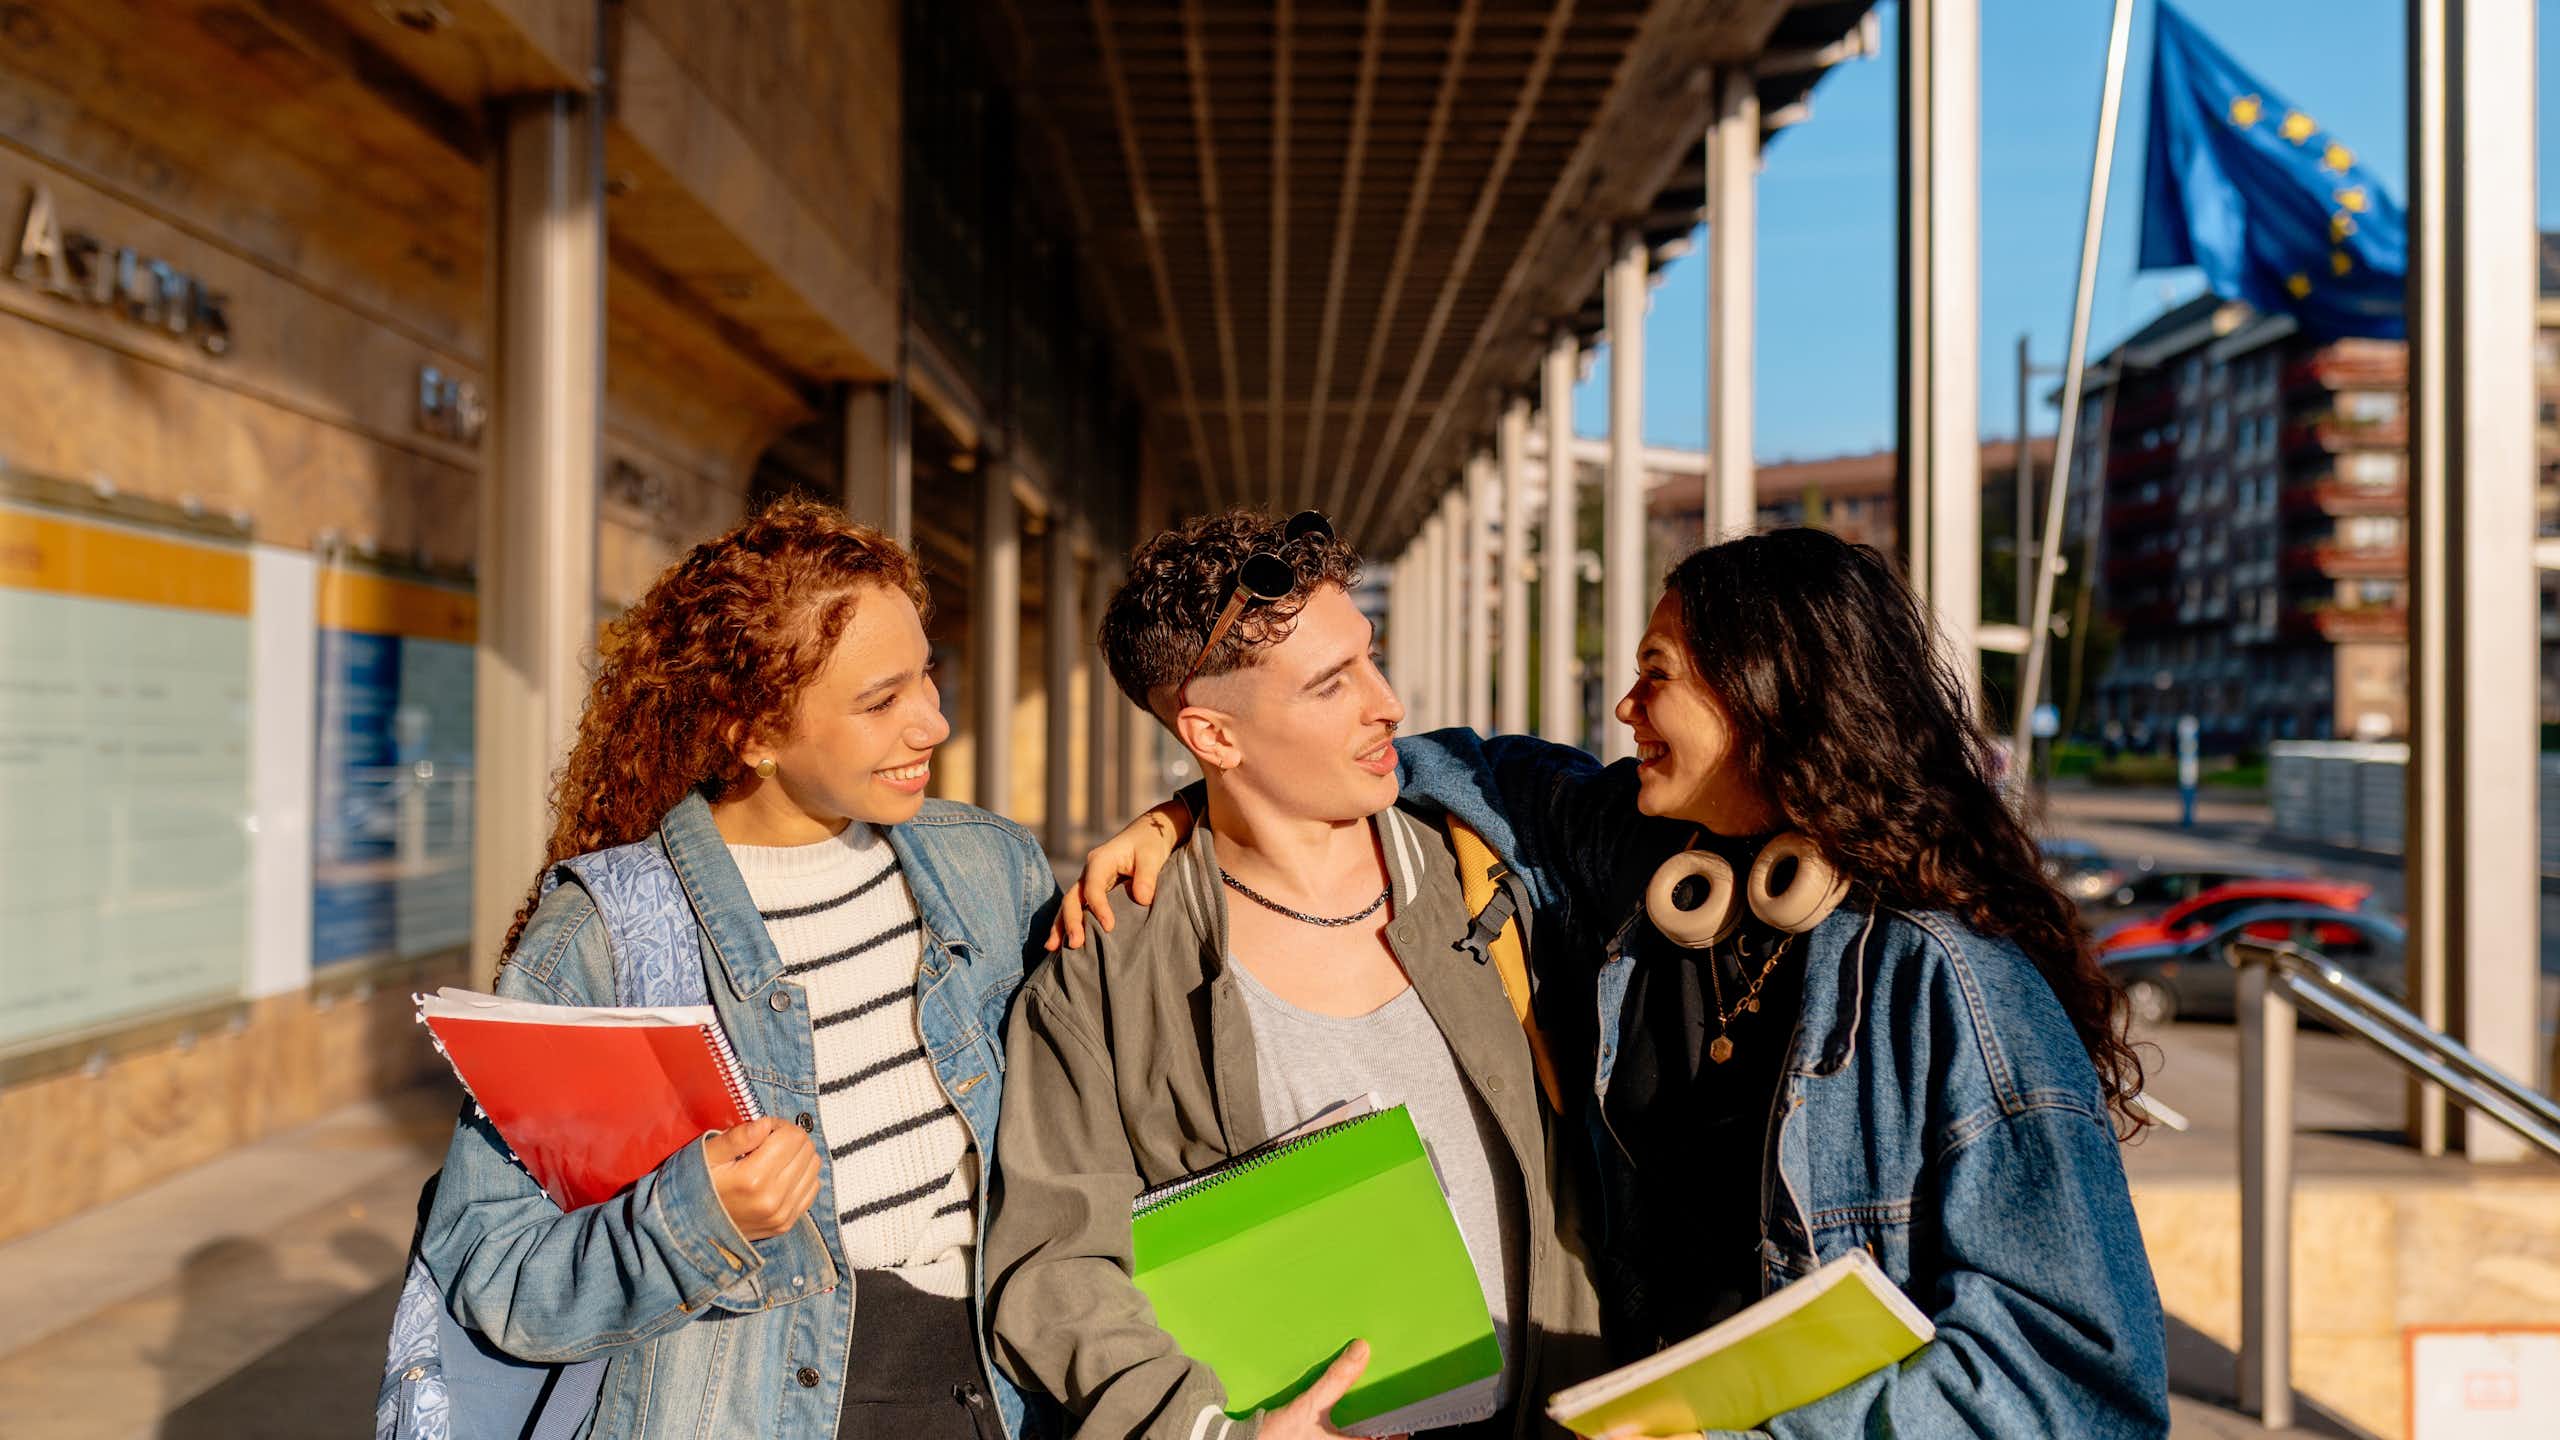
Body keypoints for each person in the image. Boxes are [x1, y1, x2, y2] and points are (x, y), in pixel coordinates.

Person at [1063, 528, 2172, 1438]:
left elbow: (2078, 1382)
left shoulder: (1946, 979)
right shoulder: (1657, 886)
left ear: (1768, 696)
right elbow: (1462, 769)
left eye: (1657, 679)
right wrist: (1199, 800)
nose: (1623, 712)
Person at [419, 499, 1058, 1440]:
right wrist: (691, 1217)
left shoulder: (990, 868)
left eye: (929, 675)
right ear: (754, 734)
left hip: (996, 1399)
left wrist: (1181, 829)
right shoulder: (605, 936)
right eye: (882, 701)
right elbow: (496, 1271)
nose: (934, 722)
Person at [984, 511, 1604, 1440]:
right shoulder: (1106, 970)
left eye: (1370, 656)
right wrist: (1208, 1432)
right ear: (1213, 736)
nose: (1387, 701)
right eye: (1331, 684)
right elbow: (1052, 1267)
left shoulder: (1502, 865)